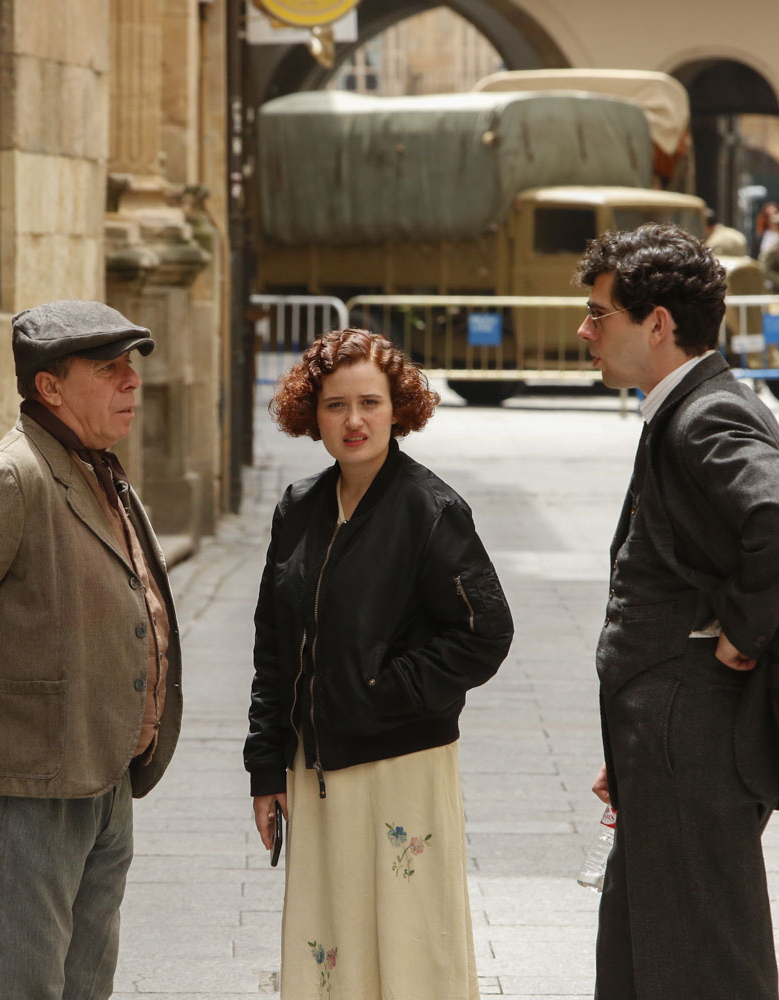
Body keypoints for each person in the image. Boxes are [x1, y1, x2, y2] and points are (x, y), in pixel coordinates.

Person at [575, 224, 779, 1000]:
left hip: (690, 736)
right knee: (642, 952)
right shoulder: (684, 407)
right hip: (664, 736)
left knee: (704, 961)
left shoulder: (705, 415)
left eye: (601, 314)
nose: (585, 330)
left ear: (657, 323)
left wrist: (737, 640)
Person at [0, 300, 183, 999]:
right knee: (16, 987)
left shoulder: (97, 467)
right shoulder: (12, 476)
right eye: (108, 368)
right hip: (20, 782)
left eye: (131, 365)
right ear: (49, 388)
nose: (131, 381)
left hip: (102, 773)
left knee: (85, 985)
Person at [244, 328, 513, 1000]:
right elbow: (273, 646)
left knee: (409, 943)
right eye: (336, 405)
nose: (354, 420)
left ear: (401, 408)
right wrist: (265, 766)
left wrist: (381, 691)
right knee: (330, 943)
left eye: (370, 401)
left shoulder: (432, 509)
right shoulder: (298, 507)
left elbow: (485, 631)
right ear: (313, 413)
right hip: (317, 767)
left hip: (400, 765)